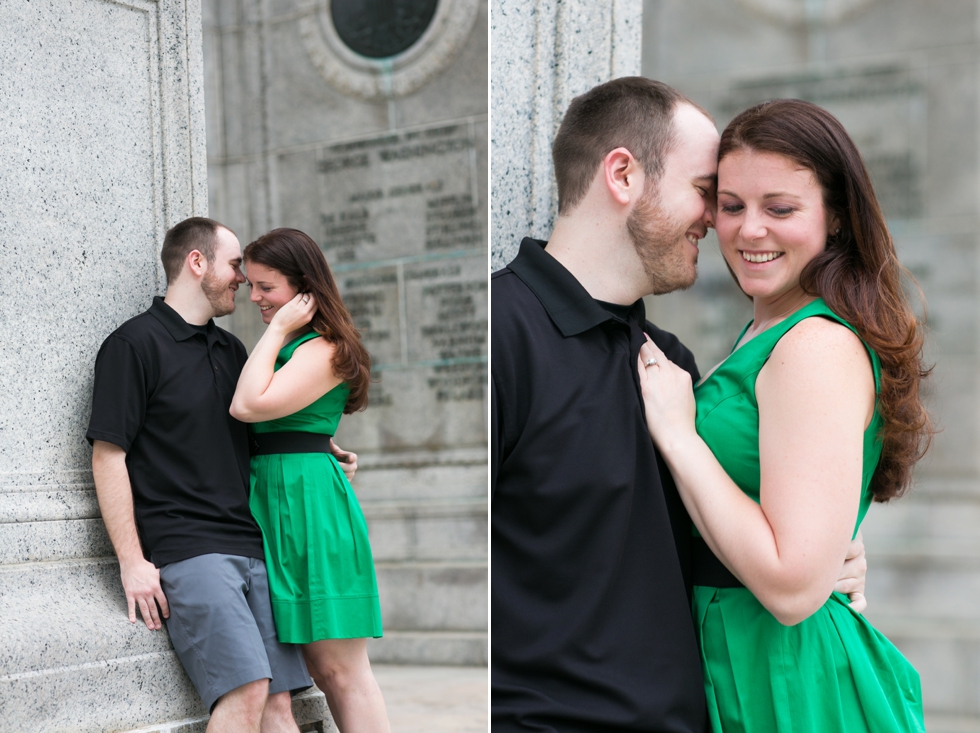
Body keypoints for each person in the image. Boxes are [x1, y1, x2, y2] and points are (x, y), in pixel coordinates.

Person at [491, 78, 867, 732]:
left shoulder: (673, 364)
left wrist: (826, 547)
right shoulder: (500, 331)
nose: (720, 222)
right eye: (711, 195)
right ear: (622, 174)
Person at [636, 99, 930, 732]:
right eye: (732, 205)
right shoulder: (766, 332)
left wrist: (679, 437)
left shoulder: (815, 345)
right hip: (740, 654)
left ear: (839, 220)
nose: (749, 230)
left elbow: (793, 591)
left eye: (781, 209)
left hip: (785, 676)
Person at [88, 217, 356, 733]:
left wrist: (322, 449)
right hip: (190, 548)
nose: (242, 279)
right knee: (247, 690)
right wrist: (131, 561)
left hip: (255, 546)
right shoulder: (133, 345)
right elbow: (109, 455)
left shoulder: (233, 351)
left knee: (282, 703)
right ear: (196, 263)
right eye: (235, 266)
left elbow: (256, 429)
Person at [229, 227, 389, 733]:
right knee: (320, 668)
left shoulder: (322, 347)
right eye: (250, 285)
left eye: (266, 286)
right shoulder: (298, 343)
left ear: (304, 289)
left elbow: (247, 405)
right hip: (279, 496)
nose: (253, 297)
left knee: (340, 669)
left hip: (308, 506)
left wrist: (275, 331)